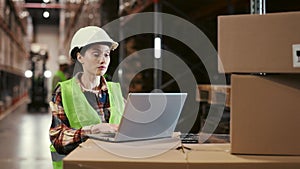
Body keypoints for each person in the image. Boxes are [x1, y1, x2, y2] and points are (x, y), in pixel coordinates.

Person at [49, 26, 125, 169]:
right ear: (80, 57)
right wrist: (92, 130)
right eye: (96, 54)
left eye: (107, 54)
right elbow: (58, 138)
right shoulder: (64, 91)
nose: (103, 60)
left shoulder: (115, 90)